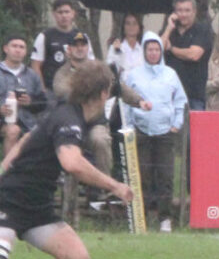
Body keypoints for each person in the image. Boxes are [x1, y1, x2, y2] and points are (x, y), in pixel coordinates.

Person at [0, 60, 134, 259]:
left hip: (37, 209)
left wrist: (4, 165)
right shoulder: (69, 119)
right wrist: (114, 185)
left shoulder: (68, 112)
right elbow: (71, 162)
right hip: (9, 201)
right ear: (103, 93)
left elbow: (28, 138)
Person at [53, 33, 148, 179]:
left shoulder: (98, 68)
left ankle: (104, 187)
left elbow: (117, 86)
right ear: (69, 50)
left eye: (83, 45)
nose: (80, 49)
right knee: (69, 147)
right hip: (71, 123)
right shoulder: (62, 73)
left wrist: (139, 101)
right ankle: (70, 193)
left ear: (87, 48)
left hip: (95, 123)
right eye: (76, 46)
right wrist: (91, 90)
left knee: (100, 139)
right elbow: (61, 91)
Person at [124, 32, 187, 233]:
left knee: (166, 176)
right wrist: (130, 126)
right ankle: (141, 217)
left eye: (156, 49)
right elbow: (126, 102)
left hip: (165, 132)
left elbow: (180, 101)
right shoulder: (133, 75)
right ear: (144, 51)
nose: (153, 53)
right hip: (141, 132)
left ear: (161, 51)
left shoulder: (170, 74)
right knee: (142, 175)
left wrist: (176, 124)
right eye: (149, 49)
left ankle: (165, 218)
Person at [30, 0, 94, 94]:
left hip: (76, 91)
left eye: (67, 12)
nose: (64, 15)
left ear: (73, 13)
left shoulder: (83, 37)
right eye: (60, 12)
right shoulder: (45, 36)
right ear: (54, 14)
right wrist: (42, 91)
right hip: (51, 91)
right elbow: (35, 65)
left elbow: (90, 64)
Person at [160, 0, 213, 111]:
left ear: (194, 12)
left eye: (187, 10)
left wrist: (171, 49)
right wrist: (169, 27)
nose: (183, 14)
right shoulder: (169, 31)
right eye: (179, 10)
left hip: (194, 96)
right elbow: (157, 50)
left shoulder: (202, 30)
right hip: (169, 95)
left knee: (194, 129)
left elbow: (194, 55)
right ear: (174, 12)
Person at [0, 36, 46, 153]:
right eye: (14, 46)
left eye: (22, 47)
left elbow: (43, 103)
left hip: (28, 123)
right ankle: (8, 170)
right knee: (13, 130)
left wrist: (30, 102)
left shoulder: (31, 75)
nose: (18, 50)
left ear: (25, 52)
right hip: (3, 123)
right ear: (6, 49)